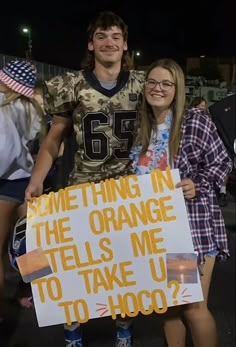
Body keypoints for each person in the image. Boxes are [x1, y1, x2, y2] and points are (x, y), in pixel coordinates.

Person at [25, 10, 145, 347]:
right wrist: (37, 180)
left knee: (126, 262)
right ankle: (73, 328)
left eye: (116, 37)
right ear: (91, 44)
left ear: (125, 46)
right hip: (83, 186)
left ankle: (123, 326)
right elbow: (54, 139)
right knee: (76, 265)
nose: (109, 42)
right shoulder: (70, 84)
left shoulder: (143, 84)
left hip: (128, 186)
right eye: (102, 36)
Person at [130, 58, 232, 347]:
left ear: (177, 89)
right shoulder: (143, 128)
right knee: (171, 307)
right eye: (152, 82)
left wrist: (196, 184)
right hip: (157, 234)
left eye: (165, 83)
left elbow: (221, 163)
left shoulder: (194, 121)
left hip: (190, 232)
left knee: (192, 307)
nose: (157, 88)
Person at [0, 60, 44, 319]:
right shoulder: (31, 108)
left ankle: (2, 312)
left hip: (5, 183)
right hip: (25, 181)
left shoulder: (5, 109)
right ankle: (36, 295)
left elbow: (4, 153)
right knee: (31, 246)